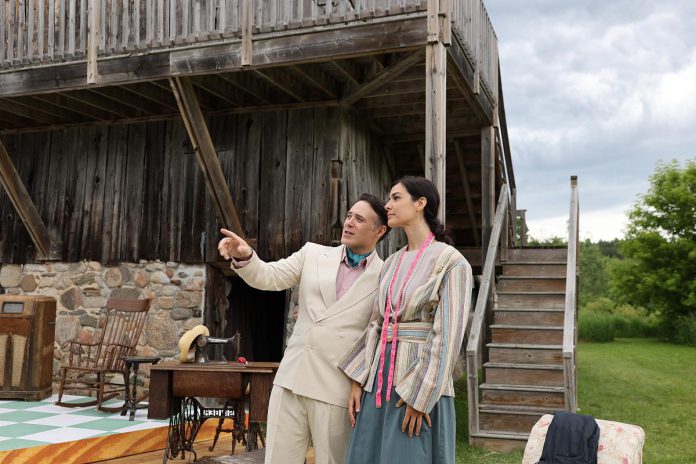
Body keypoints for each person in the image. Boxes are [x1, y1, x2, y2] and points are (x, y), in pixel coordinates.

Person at [217, 194, 390, 464]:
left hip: (337, 389)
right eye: (348, 216)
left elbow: (377, 335)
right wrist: (246, 256)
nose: (349, 223)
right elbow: (269, 276)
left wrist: (360, 382)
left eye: (359, 219)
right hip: (292, 380)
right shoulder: (312, 253)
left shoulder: (386, 275)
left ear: (379, 231)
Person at [339, 176, 473, 464]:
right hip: (377, 383)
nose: (388, 205)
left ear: (420, 203)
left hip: (415, 384)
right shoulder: (391, 263)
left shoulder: (452, 263)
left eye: (396, 198)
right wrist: (357, 380)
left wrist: (420, 397)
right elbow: (375, 324)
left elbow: (447, 336)